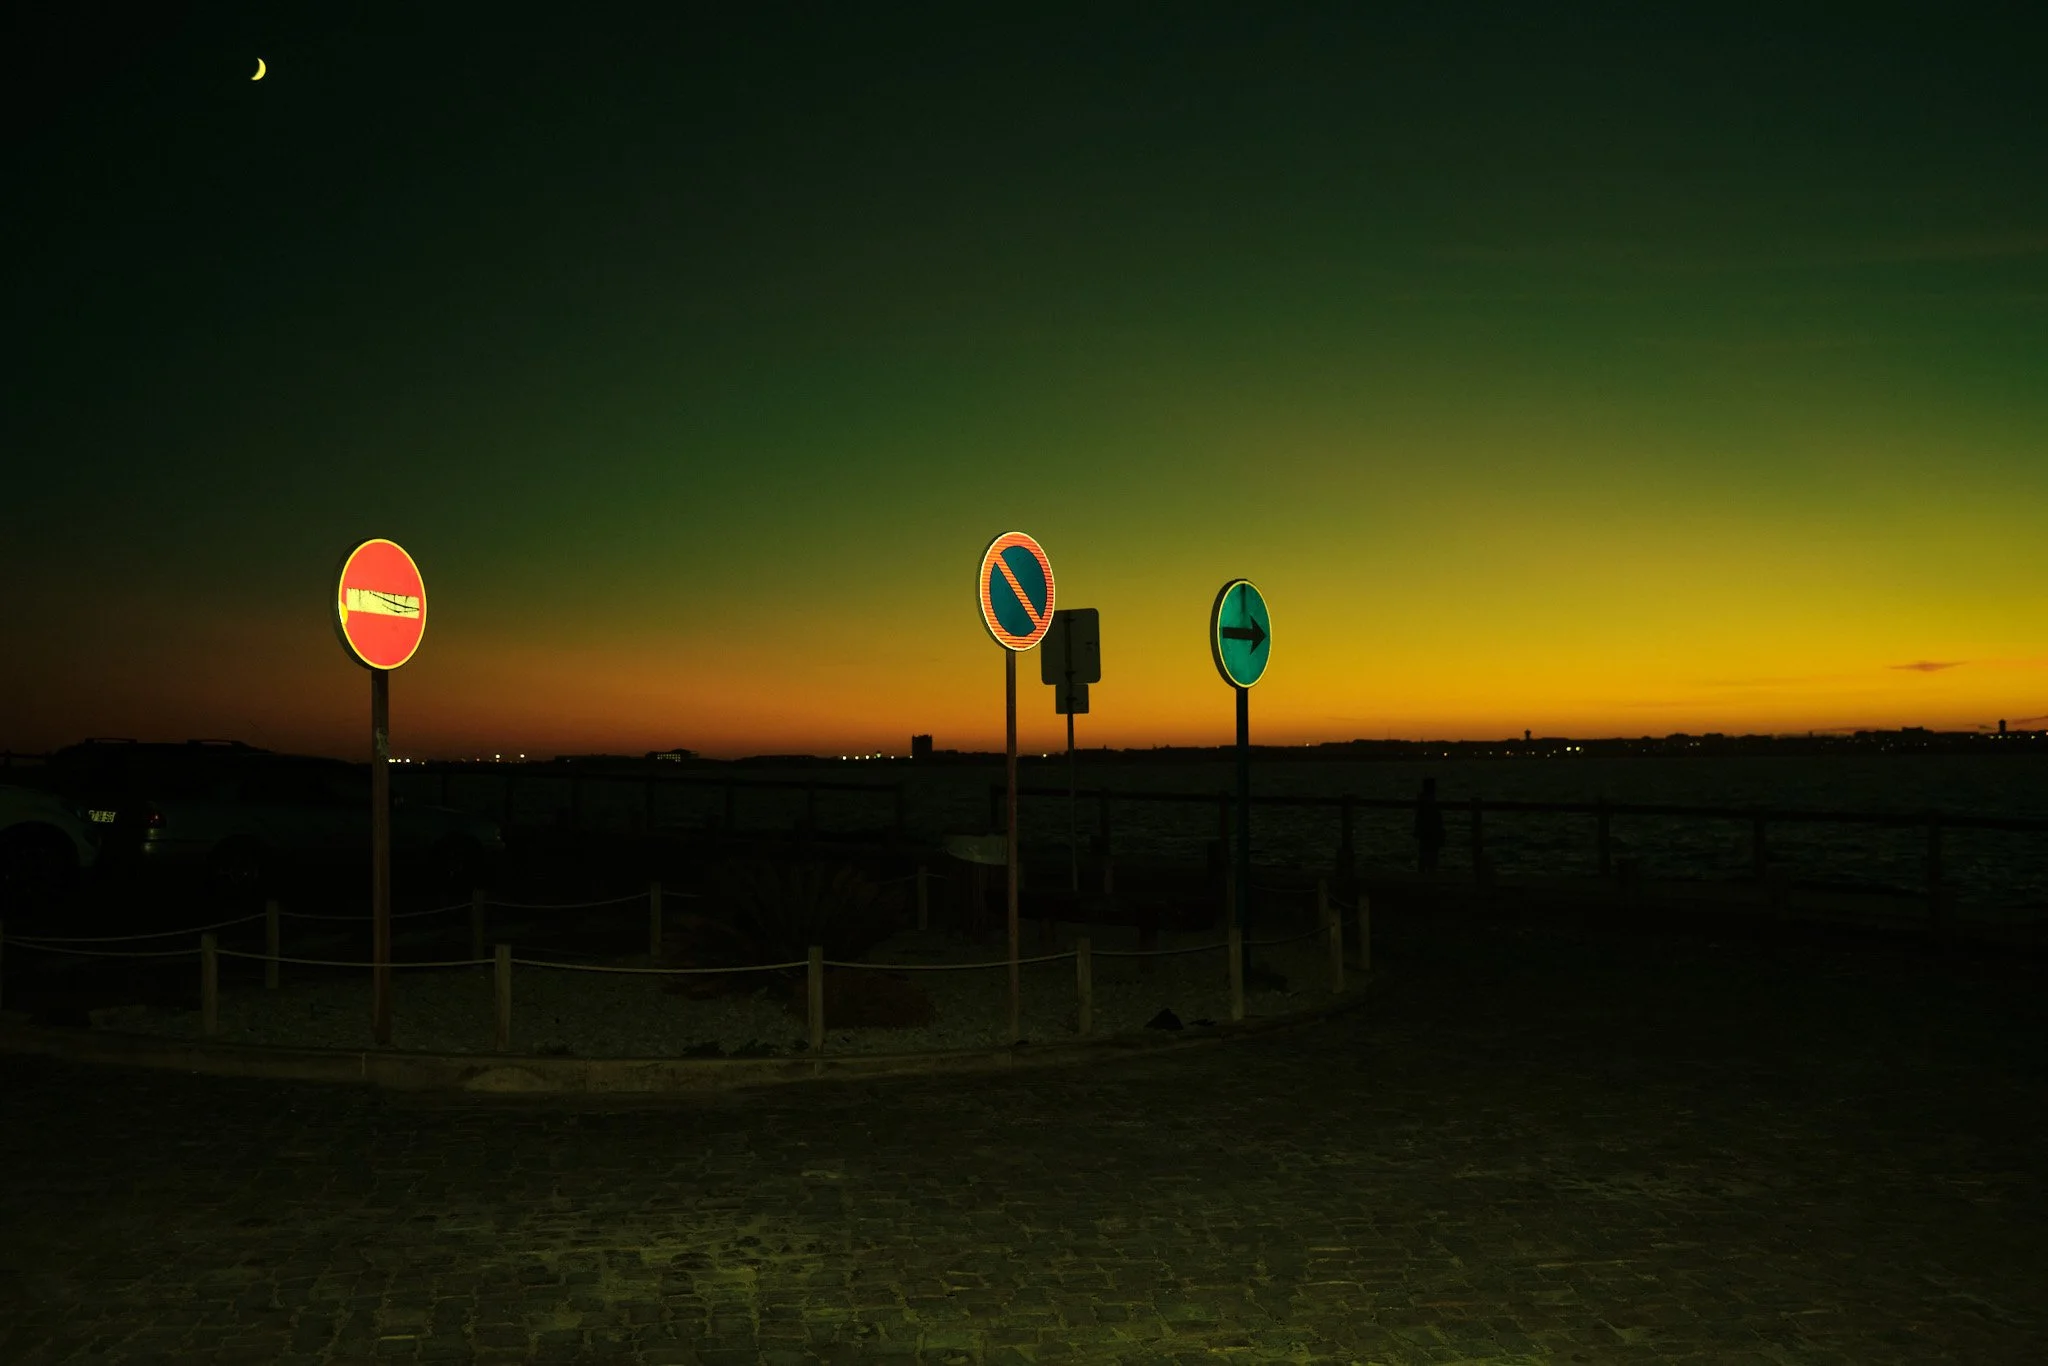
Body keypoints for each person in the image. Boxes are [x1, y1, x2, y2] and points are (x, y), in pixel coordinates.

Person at [1414, 777, 1445, 874]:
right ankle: (1429, 877)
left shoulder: (1422, 802)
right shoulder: (1430, 803)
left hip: (1425, 832)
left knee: (1423, 856)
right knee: (1431, 858)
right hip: (1431, 832)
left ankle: (1423, 877)